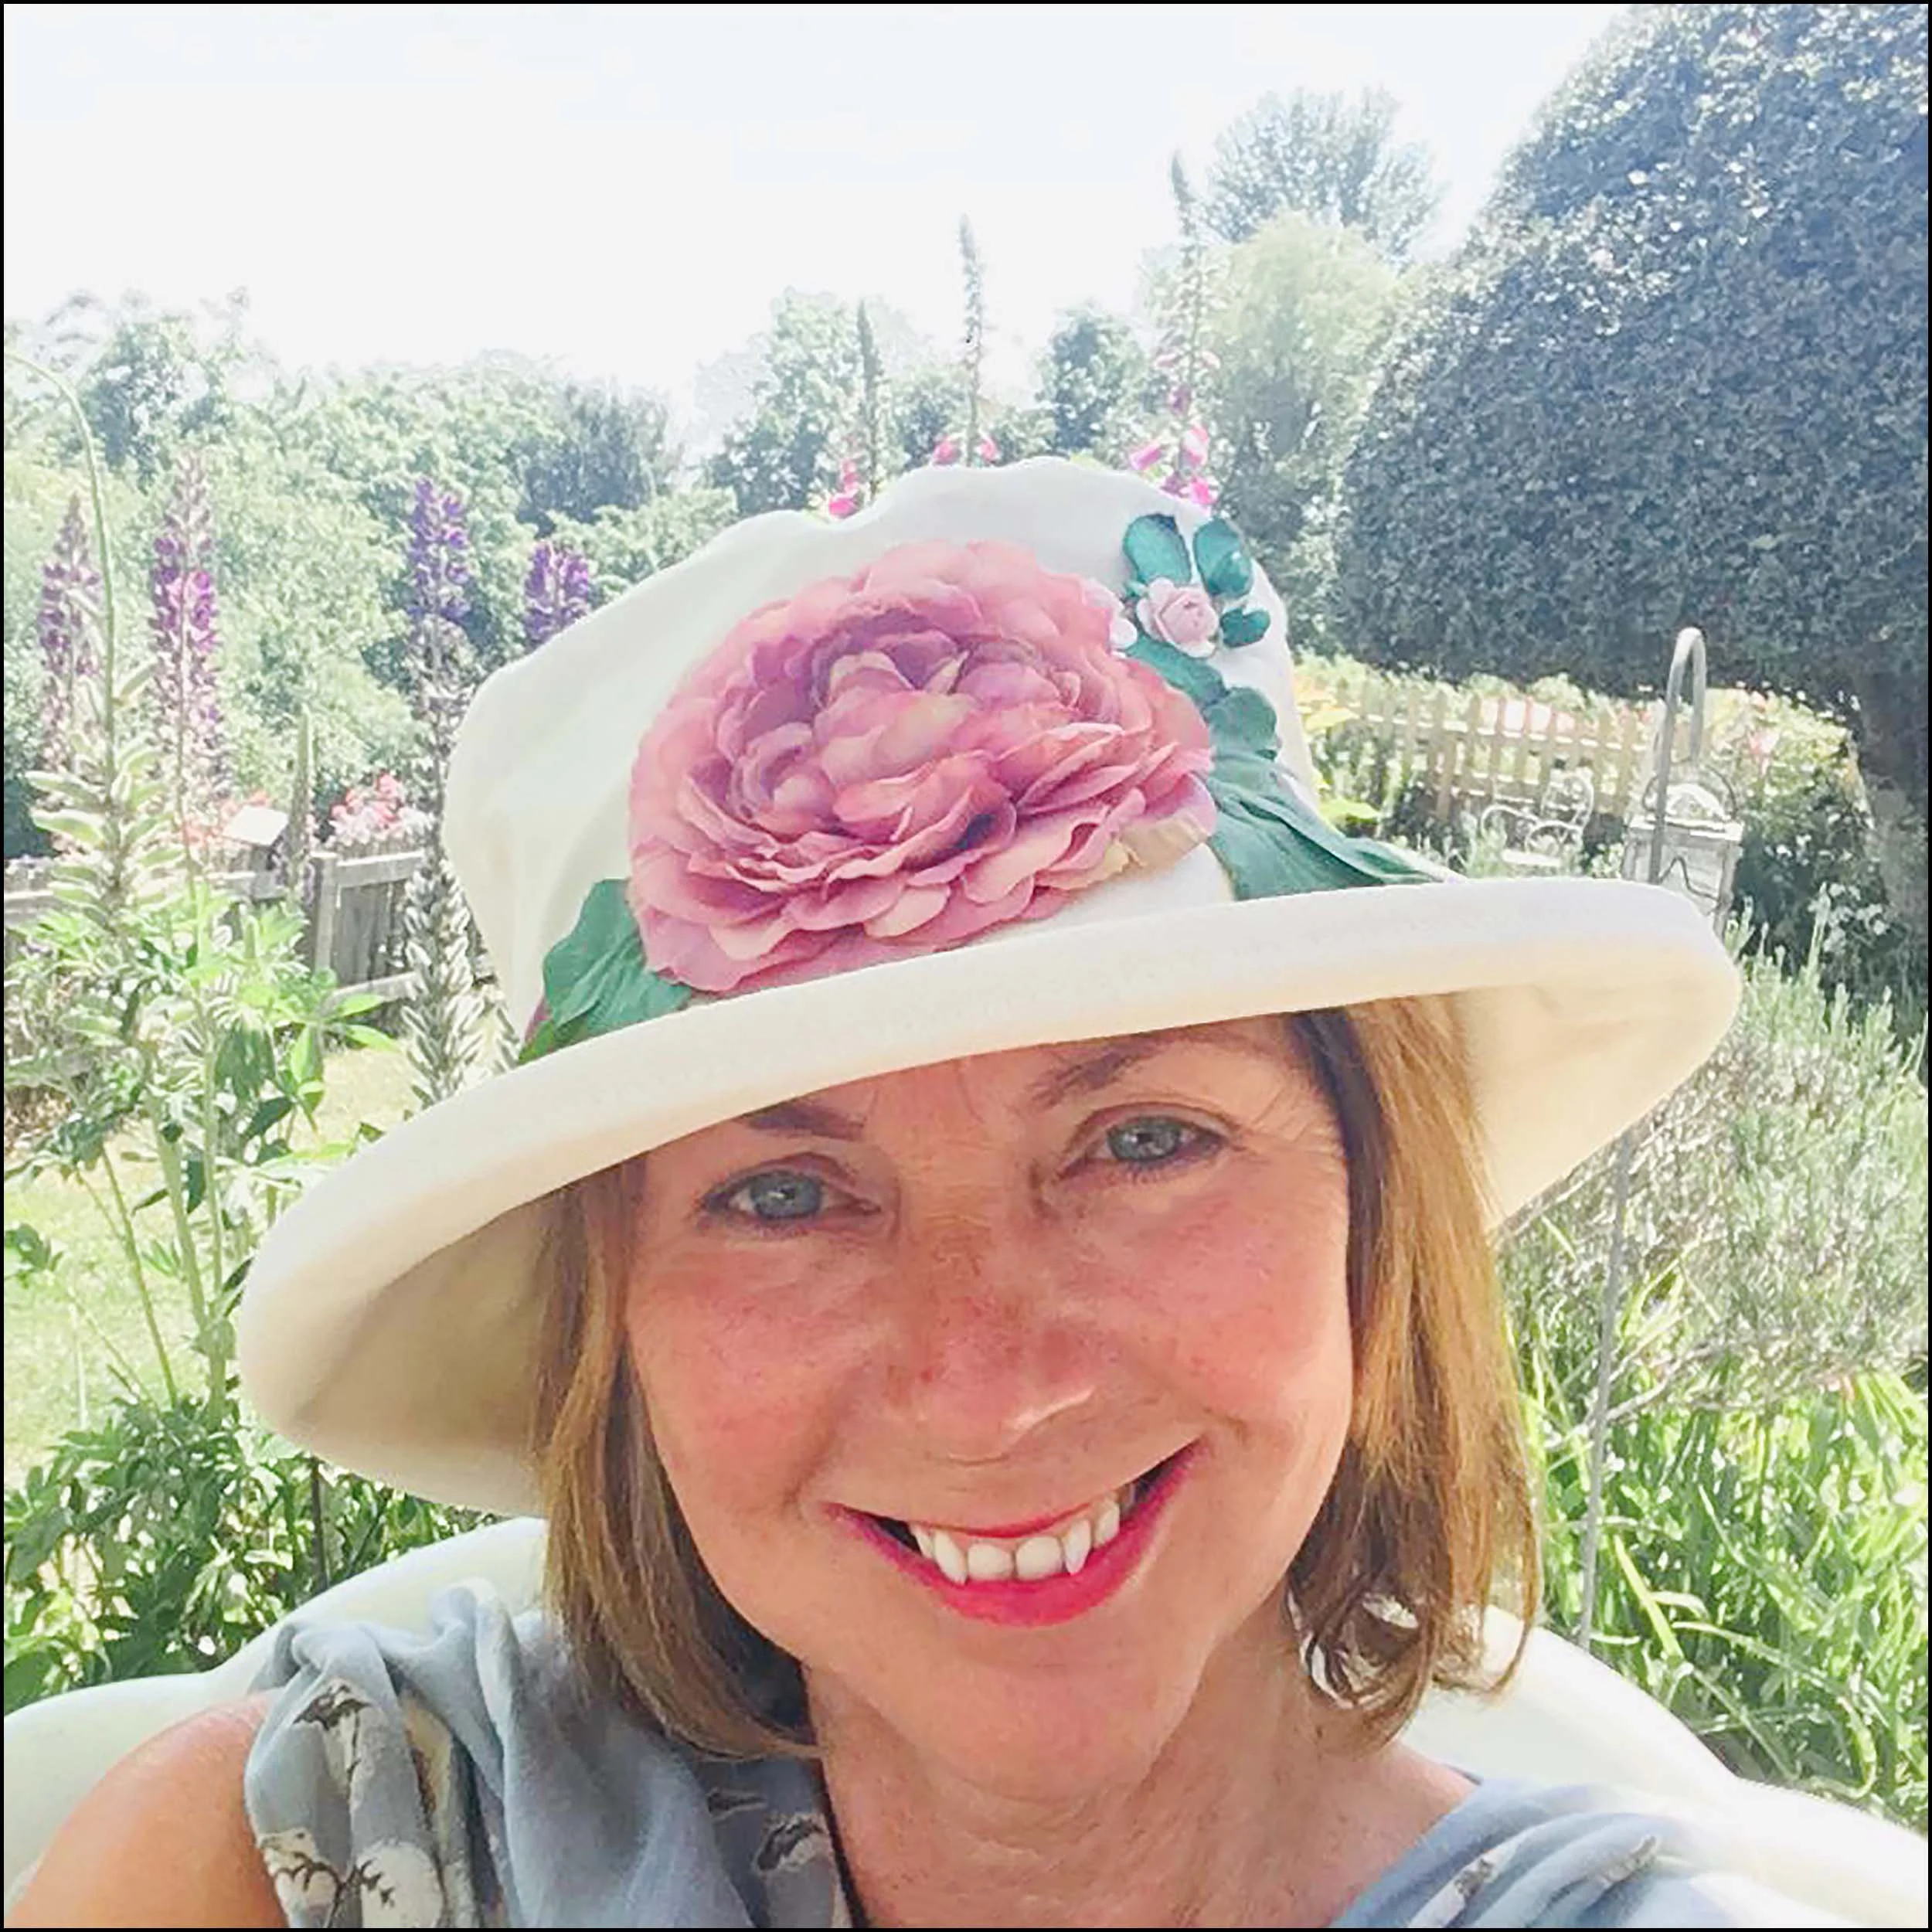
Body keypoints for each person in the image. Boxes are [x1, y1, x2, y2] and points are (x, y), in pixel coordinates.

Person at [10, 461, 1811, 1929]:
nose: (988, 1379)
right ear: (611, 1315)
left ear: (1371, 1209)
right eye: (785, 1191)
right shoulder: (291, 1867)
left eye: (1143, 1141)